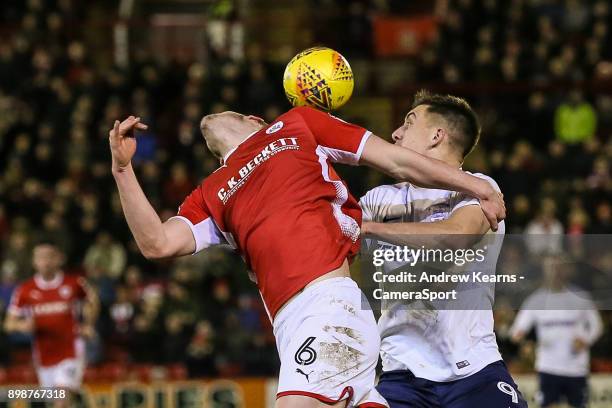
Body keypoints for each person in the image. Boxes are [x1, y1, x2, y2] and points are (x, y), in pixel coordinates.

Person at [108, 106, 505, 408]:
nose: (213, 118)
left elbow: (396, 161)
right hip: (295, 328)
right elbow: (156, 244)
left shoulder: (296, 125)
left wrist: (477, 187)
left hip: (328, 311)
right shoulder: (211, 192)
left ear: (255, 120)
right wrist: (124, 170)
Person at [359, 91, 527, 408]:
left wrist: (370, 229)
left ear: (437, 136)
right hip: (401, 378)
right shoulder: (378, 199)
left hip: (476, 373)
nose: (394, 133)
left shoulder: (480, 188)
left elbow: (456, 236)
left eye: (408, 123)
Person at [5, 240, 99, 407]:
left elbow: (92, 301)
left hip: (71, 350)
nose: (46, 262)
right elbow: (8, 323)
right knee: (57, 400)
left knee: (60, 398)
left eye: (49, 257)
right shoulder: (25, 290)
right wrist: (22, 326)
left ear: (59, 259)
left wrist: (89, 324)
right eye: (41, 257)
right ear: (34, 261)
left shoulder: (73, 283)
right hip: (44, 355)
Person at [510, 255, 602, 408]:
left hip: (576, 368)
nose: (555, 271)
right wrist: (526, 343)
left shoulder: (580, 298)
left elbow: (597, 326)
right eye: (551, 267)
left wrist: (586, 340)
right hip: (548, 367)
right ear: (544, 271)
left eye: (559, 267)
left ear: (566, 270)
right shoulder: (535, 301)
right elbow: (517, 332)